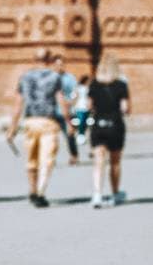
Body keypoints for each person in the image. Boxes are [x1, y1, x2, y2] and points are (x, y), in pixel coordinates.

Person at [6, 49, 70, 207]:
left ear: (33, 59)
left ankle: (32, 190)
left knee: (31, 159)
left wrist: (12, 128)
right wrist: (68, 122)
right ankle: (40, 193)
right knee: (47, 160)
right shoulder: (55, 77)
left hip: (30, 121)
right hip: (48, 122)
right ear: (49, 59)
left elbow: (18, 104)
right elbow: (61, 101)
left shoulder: (25, 77)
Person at [88, 54, 130, 208]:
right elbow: (125, 108)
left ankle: (97, 194)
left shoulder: (94, 84)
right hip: (115, 125)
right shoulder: (121, 85)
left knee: (98, 161)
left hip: (98, 125)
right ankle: (115, 193)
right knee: (115, 162)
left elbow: (88, 106)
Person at [53, 54, 80, 165]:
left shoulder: (70, 78)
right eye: (58, 64)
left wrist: (71, 102)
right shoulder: (50, 78)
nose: (60, 66)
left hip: (67, 112)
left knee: (70, 135)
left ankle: (74, 155)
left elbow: (75, 93)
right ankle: (50, 157)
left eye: (62, 64)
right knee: (51, 137)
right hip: (53, 111)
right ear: (53, 65)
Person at [73, 74, 91, 145]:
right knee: (81, 121)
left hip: (87, 107)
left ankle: (82, 134)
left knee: (85, 122)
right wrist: (73, 106)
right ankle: (80, 135)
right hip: (79, 106)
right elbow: (75, 97)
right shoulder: (79, 88)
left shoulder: (89, 88)